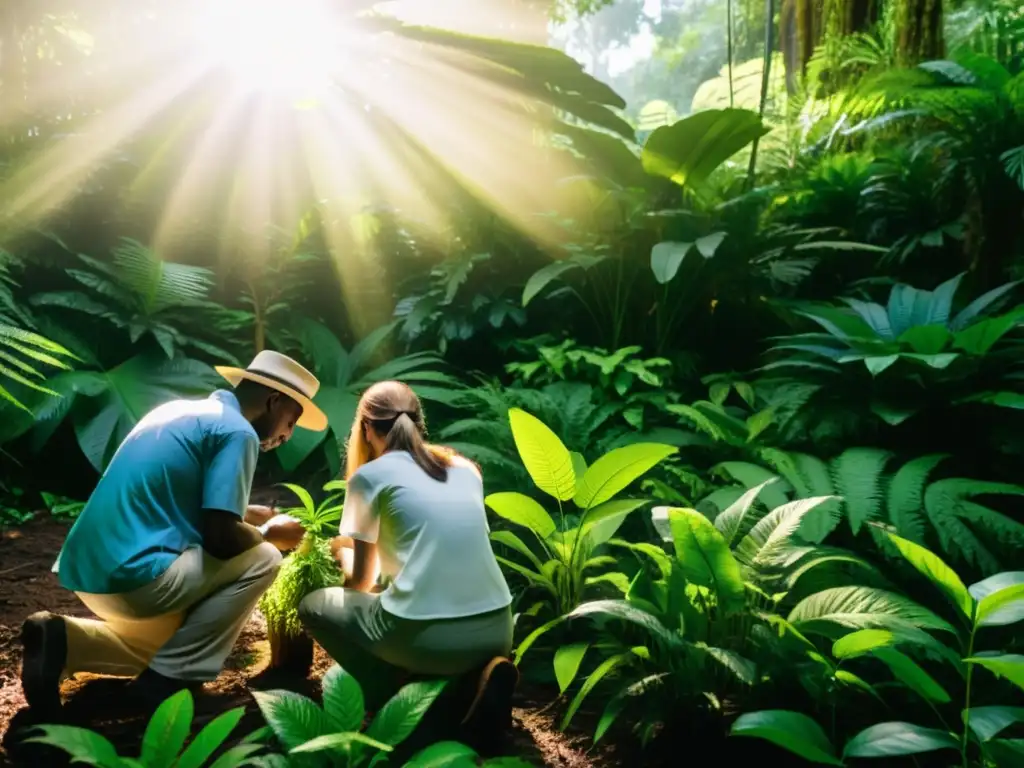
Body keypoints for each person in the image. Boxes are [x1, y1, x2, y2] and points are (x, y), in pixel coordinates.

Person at [20, 350, 327, 714]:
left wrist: (245, 513)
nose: (288, 436)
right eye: (291, 422)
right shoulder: (238, 432)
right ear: (274, 401)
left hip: (88, 574)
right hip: (139, 581)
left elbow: (176, 495)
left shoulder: (178, 412)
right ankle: (172, 682)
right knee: (263, 558)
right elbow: (222, 538)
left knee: (171, 643)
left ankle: (64, 640)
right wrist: (268, 533)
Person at [297, 380, 517, 740]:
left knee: (313, 607)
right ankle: (473, 681)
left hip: (423, 639)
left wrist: (341, 553)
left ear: (366, 428)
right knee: (408, 609)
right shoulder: (466, 470)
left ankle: (395, 700)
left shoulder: (369, 477)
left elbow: (361, 583)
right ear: (418, 422)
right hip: (498, 628)